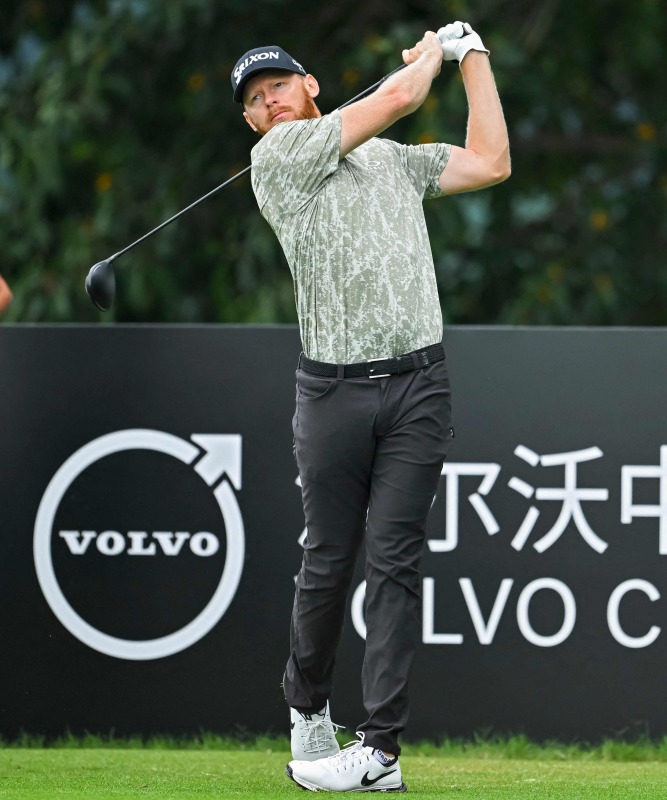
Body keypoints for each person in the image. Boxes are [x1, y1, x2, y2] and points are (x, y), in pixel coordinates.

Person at [230, 21, 509, 793]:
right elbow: (394, 98)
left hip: (420, 384)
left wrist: (473, 56)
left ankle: (380, 750)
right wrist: (428, 60)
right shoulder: (276, 159)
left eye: (277, 86)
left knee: (395, 558)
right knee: (327, 559)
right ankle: (308, 710)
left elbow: (491, 161)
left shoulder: (391, 161)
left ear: (310, 84)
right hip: (332, 392)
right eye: (254, 101)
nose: (268, 104)